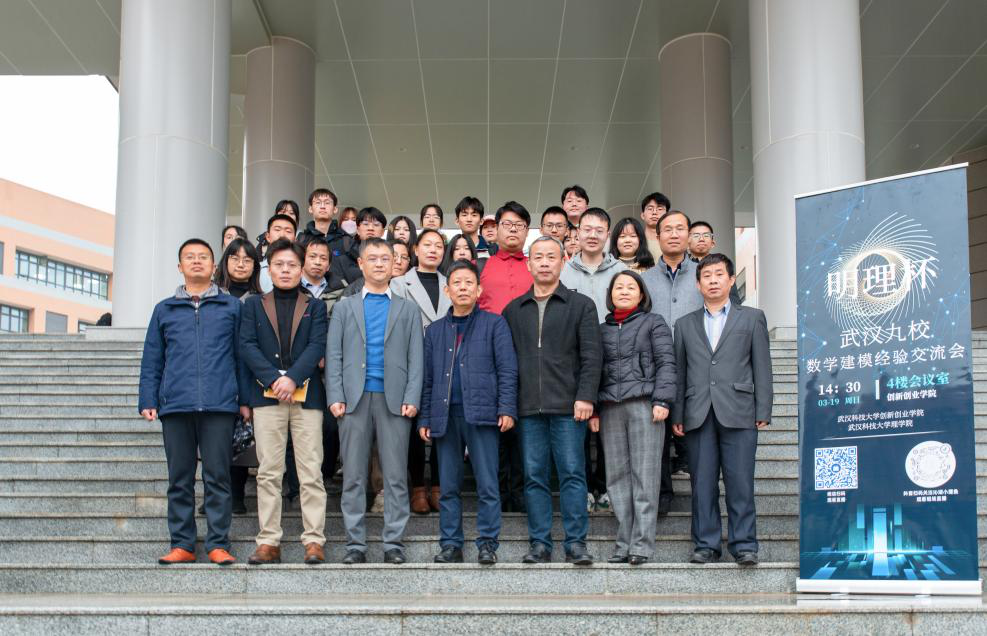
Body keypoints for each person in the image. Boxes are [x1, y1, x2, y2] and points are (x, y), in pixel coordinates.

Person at [138, 238, 248, 566]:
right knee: (179, 479)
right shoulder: (164, 309)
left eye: (203, 257)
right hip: (176, 404)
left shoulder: (231, 307)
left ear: (214, 266)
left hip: (220, 404)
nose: (197, 261)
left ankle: (218, 543)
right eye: (190, 257)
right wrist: (148, 398)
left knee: (218, 477)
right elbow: (152, 358)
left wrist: (244, 400)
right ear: (180, 266)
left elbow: (241, 357)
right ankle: (183, 543)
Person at [503, 236, 602, 565]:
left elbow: (592, 357)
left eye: (551, 257)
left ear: (563, 261)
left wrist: (586, 396)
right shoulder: (513, 310)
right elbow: (507, 363)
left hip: (569, 408)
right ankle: (540, 544)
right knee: (534, 476)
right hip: (528, 408)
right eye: (538, 257)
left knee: (573, 473)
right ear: (528, 264)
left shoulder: (581, 305)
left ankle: (576, 544)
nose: (544, 262)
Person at [326, 238, 424, 565]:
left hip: (395, 400)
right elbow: (334, 355)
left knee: (395, 476)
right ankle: (355, 543)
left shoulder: (408, 309)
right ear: (361, 264)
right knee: (353, 475)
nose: (380, 264)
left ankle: (393, 542)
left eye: (386, 258)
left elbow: (416, 358)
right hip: (353, 400)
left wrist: (412, 397)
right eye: (373, 258)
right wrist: (335, 396)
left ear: (395, 264)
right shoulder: (344, 307)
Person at [671, 254, 772, 567]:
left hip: (740, 410)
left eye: (719, 275)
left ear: (730, 280)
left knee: (740, 482)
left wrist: (764, 408)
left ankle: (744, 545)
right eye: (707, 276)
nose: (713, 280)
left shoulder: (752, 318)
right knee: (702, 484)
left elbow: (762, 366)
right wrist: (678, 414)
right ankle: (706, 544)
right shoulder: (684, 324)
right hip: (697, 412)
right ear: (698, 284)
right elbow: (680, 372)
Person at [419, 260, 518, 565]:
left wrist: (506, 407)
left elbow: (507, 369)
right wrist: (425, 417)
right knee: (448, 486)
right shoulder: (435, 331)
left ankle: (487, 543)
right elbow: (428, 378)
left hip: (483, 414)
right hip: (445, 416)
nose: (462, 288)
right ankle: (451, 545)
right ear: (447, 290)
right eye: (457, 283)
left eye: (468, 283)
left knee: (487, 484)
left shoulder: (495, 324)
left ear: (478, 290)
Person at [240, 239, 329, 565]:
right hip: (266, 397)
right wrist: (274, 380)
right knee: (268, 472)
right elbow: (247, 345)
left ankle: (314, 540)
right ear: (269, 268)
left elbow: (317, 345)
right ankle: (268, 541)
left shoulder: (315, 307)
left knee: (311, 471)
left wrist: (292, 378)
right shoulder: (253, 305)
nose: (286, 270)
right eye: (279, 264)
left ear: (301, 268)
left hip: (307, 398)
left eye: (292, 265)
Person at [588, 271, 675, 565]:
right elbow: (593, 370)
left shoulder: (654, 323)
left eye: (630, 287)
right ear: (610, 295)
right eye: (619, 287)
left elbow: (666, 363)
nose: (624, 291)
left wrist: (662, 400)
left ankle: (641, 544)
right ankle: (623, 542)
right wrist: (594, 409)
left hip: (645, 406)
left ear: (641, 295)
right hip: (610, 408)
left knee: (645, 476)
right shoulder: (601, 330)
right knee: (616, 479)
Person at [560, 208, 627, 513]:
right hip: (575, 359)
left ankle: (607, 485)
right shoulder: (564, 271)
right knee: (580, 426)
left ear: (607, 234)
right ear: (577, 232)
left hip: (615, 356)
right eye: (587, 229)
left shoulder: (621, 271)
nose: (592, 235)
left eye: (599, 230)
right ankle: (585, 487)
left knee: (610, 425)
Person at [641, 209, 703, 514]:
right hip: (655, 370)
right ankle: (662, 497)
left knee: (698, 438)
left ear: (688, 234)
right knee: (658, 439)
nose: (674, 234)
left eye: (680, 228)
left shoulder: (705, 274)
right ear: (658, 235)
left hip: (698, 369)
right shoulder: (645, 280)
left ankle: (702, 500)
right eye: (668, 229)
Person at [477, 201, 532, 513]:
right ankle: (495, 492)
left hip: (529, 358)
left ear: (527, 231)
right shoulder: (480, 267)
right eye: (507, 224)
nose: (513, 230)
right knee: (494, 427)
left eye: (519, 225)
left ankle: (520, 492)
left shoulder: (536, 265)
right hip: (488, 360)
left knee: (523, 428)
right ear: (494, 230)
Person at [391, 228, 451, 514]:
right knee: (414, 424)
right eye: (427, 244)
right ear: (415, 249)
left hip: (446, 362)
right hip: (411, 362)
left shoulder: (451, 282)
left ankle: (437, 486)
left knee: (442, 425)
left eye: (438, 245)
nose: (433, 250)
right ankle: (417, 488)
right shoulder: (399, 283)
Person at [213, 238, 264, 515]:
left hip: (249, 374)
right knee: (215, 440)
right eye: (235, 258)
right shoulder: (212, 296)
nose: (241, 264)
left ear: (255, 266)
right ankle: (214, 495)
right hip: (218, 374)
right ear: (225, 262)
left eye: (247, 260)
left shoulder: (260, 300)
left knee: (242, 437)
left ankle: (236, 494)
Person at [299, 237, 345, 491]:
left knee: (330, 424)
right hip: (298, 368)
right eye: (312, 256)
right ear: (303, 259)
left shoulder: (343, 290)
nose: (317, 262)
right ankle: (297, 480)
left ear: (329, 264)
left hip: (331, 368)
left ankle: (326, 473)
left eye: (323, 258)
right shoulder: (291, 287)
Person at [331, 206, 387, 286]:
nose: (370, 228)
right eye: (366, 224)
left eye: (376, 224)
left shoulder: (392, 256)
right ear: (357, 230)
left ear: (383, 231)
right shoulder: (342, 259)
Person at [297, 190, 348, 262]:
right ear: (310, 209)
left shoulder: (346, 240)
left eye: (327, 203)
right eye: (318, 202)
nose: (322, 206)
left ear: (335, 209)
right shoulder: (302, 239)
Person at [258, 214, 297, 292]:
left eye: (288, 231)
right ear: (268, 236)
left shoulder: (301, 269)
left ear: (295, 239)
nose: (282, 235)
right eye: (277, 230)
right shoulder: (256, 270)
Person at [640, 192, 671, 264]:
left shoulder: (674, 240)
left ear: (667, 215)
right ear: (642, 215)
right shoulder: (636, 241)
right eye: (650, 209)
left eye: (659, 209)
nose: (654, 212)